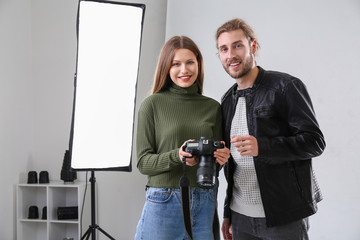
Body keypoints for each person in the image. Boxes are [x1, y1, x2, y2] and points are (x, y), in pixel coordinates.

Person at [215, 18, 326, 240]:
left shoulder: (285, 86)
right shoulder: (227, 100)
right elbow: (232, 165)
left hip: (284, 216)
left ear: (253, 46)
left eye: (237, 45)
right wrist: (227, 212)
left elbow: (314, 142)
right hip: (240, 217)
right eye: (223, 49)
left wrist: (263, 147)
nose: (230, 55)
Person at [135, 35, 230, 240]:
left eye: (190, 62)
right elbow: (143, 163)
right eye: (176, 64)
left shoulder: (212, 107)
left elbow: (215, 166)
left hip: (204, 200)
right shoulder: (152, 105)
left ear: (198, 63)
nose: (184, 70)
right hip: (165, 200)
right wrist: (177, 156)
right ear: (166, 67)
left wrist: (220, 159)